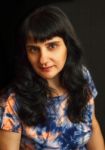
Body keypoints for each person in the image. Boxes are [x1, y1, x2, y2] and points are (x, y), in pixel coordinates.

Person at [0, 5, 104, 150]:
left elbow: (92, 126)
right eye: (34, 49)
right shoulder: (13, 100)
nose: (43, 59)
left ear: (67, 45)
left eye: (52, 46)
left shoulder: (82, 76)